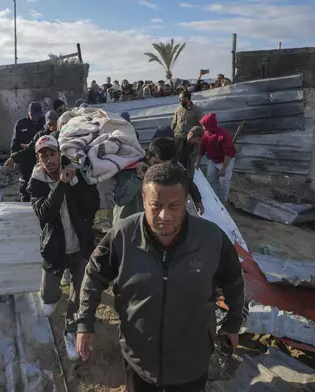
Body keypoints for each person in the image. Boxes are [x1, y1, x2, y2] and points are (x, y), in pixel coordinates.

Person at [76, 162, 246, 391]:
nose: (165, 215)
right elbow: (94, 275)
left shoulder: (212, 239)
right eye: (156, 206)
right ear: (144, 200)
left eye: (174, 206)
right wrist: (85, 323)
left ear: (186, 202)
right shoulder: (123, 235)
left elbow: (234, 281)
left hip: (192, 363)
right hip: (138, 361)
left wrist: (233, 324)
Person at [28, 134, 99, 361]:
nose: (49, 160)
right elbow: (46, 213)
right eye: (43, 156)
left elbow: (92, 204)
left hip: (80, 246)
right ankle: (51, 295)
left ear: (60, 154)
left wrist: (75, 182)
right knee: (48, 297)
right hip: (55, 248)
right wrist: (61, 183)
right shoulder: (36, 183)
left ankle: (71, 328)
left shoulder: (76, 173)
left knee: (80, 292)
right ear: (38, 160)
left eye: (52, 153)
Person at [113, 137, 203, 223]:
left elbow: (186, 178)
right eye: (156, 163)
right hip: (129, 223)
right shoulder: (131, 168)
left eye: (164, 165)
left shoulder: (173, 167)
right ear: (148, 156)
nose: (159, 169)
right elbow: (120, 200)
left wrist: (197, 199)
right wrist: (138, 178)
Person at [196, 112, 237, 203]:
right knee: (210, 179)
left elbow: (228, 154)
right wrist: (198, 162)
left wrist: (223, 168)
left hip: (225, 161)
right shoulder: (206, 134)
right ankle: (213, 199)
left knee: (224, 182)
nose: (203, 127)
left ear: (209, 125)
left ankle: (224, 200)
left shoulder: (223, 135)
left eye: (204, 125)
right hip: (213, 160)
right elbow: (202, 149)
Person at [7, 101, 44, 202]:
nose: (35, 117)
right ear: (28, 113)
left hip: (42, 158)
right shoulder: (21, 124)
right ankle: (25, 201)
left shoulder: (44, 122)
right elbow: (14, 144)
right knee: (25, 183)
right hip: (25, 159)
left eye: (37, 115)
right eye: (32, 115)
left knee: (40, 182)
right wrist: (15, 159)